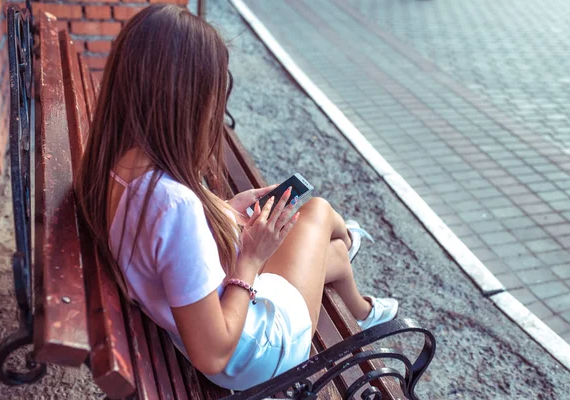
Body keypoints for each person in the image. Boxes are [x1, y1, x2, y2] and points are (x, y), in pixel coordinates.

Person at [75, 4, 398, 391]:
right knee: (317, 211)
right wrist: (250, 258)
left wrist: (224, 211)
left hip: (207, 312)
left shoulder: (113, 165)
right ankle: (350, 247)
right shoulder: (174, 205)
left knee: (328, 248)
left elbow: (164, 249)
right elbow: (213, 353)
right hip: (254, 354)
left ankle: (357, 293)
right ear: (187, 101)